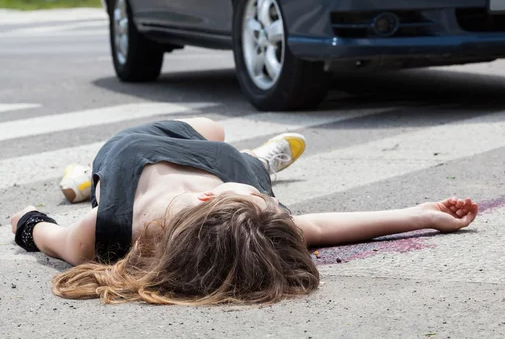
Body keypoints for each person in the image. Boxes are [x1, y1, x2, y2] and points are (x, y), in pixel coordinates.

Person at [10, 117, 479, 306]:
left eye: (266, 201)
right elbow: (317, 227)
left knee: (210, 129)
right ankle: (259, 160)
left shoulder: (108, 230)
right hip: (230, 168)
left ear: (206, 201)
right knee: (226, 143)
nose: (276, 206)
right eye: (271, 203)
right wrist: (423, 214)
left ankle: (84, 182)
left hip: (134, 155)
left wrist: (24, 218)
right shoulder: (248, 223)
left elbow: (44, 234)